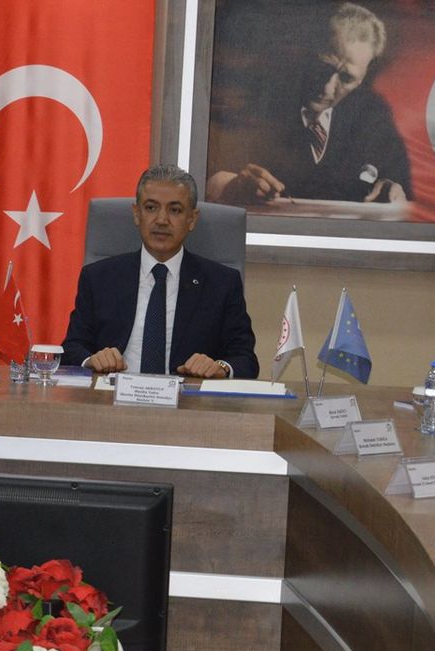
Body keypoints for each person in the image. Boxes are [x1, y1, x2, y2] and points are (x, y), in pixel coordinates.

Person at [62, 165, 259, 378]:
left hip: (185, 397)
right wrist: (91, 360)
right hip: (112, 395)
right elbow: (72, 348)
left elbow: (245, 360)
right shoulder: (98, 278)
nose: (162, 220)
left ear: (192, 219)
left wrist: (219, 367)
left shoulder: (222, 284)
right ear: (136, 214)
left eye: (175, 210)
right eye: (151, 208)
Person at [206, 2, 411, 205]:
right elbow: (201, 171)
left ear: (362, 78)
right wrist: (231, 184)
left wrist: (392, 190)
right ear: (306, 53)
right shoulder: (258, 96)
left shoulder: (374, 115)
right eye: (323, 67)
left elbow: (402, 188)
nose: (327, 88)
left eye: (346, 78)